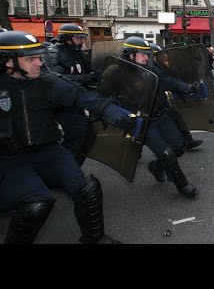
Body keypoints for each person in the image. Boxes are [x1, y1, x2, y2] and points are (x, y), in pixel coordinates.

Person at [0, 31, 136, 244]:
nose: (39, 63)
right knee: (36, 204)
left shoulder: (48, 82)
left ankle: (94, 239)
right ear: (8, 62)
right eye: (31, 59)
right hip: (11, 160)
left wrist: (112, 112)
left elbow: (81, 96)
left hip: (48, 151)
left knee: (88, 189)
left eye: (38, 57)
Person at [119, 37, 199, 198]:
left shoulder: (150, 69)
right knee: (166, 153)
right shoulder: (118, 74)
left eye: (147, 54)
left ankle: (156, 166)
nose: (147, 58)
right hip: (145, 123)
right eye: (143, 55)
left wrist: (187, 87)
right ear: (130, 55)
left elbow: (167, 80)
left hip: (161, 115)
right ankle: (182, 185)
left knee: (178, 147)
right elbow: (109, 96)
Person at [43, 23, 99, 166]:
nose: (81, 41)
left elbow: (86, 71)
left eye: (82, 38)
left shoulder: (78, 52)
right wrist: (85, 78)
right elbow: (56, 78)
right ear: (67, 37)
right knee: (77, 132)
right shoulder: (54, 53)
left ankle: (70, 166)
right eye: (78, 38)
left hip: (76, 99)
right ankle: (63, 166)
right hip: (61, 103)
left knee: (85, 133)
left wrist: (97, 74)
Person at [150, 43, 203, 151]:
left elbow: (170, 80)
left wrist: (186, 87)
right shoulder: (152, 68)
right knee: (146, 129)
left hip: (159, 101)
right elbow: (168, 81)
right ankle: (134, 149)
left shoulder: (158, 66)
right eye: (157, 56)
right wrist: (187, 87)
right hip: (151, 103)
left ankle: (187, 140)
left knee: (175, 117)